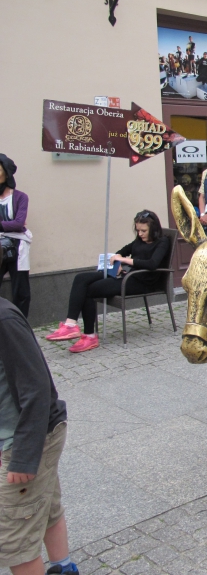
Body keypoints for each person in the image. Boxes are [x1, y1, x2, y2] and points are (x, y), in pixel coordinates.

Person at [0, 297, 78, 575]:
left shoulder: (4, 320)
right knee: (46, 508)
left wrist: (23, 458)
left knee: (15, 542)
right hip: (22, 436)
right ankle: (64, 568)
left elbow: (36, 389)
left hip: (29, 441)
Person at [44, 211, 170, 353]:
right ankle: (70, 324)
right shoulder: (139, 240)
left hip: (141, 281)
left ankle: (89, 336)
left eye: (143, 231)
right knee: (80, 278)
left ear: (153, 229)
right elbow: (122, 251)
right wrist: (119, 261)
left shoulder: (162, 242)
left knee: (89, 290)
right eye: (138, 230)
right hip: (127, 275)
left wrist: (124, 261)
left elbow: (152, 264)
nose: (140, 234)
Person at [0, 155, 32, 319]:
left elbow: (19, 224)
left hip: (18, 246)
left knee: (21, 290)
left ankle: (20, 322)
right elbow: (16, 223)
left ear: (6, 173)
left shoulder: (20, 197)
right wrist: (10, 224)